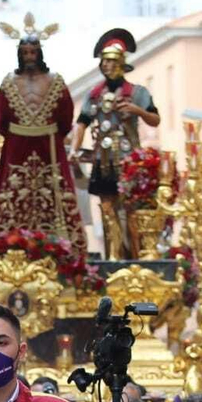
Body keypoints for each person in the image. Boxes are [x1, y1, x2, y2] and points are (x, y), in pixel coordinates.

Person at [0, 16, 85, 245]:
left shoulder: (56, 81)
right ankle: (9, 242)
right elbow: (1, 119)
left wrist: (47, 131)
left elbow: (65, 117)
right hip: (16, 146)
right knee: (13, 193)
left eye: (33, 52)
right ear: (19, 54)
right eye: (25, 52)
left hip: (49, 145)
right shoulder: (9, 82)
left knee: (53, 195)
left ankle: (59, 244)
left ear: (40, 53)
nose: (29, 57)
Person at [71, 29, 158, 259]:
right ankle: (113, 254)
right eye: (104, 62)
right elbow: (81, 124)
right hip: (104, 159)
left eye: (111, 62)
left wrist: (136, 110)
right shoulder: (94, 95)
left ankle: (135, 256)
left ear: (121, 63)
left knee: (131, 210)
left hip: (129, 159)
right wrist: (74, 150)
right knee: (107, 209)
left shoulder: (137, 93)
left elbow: (155, 119)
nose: (106, 66)